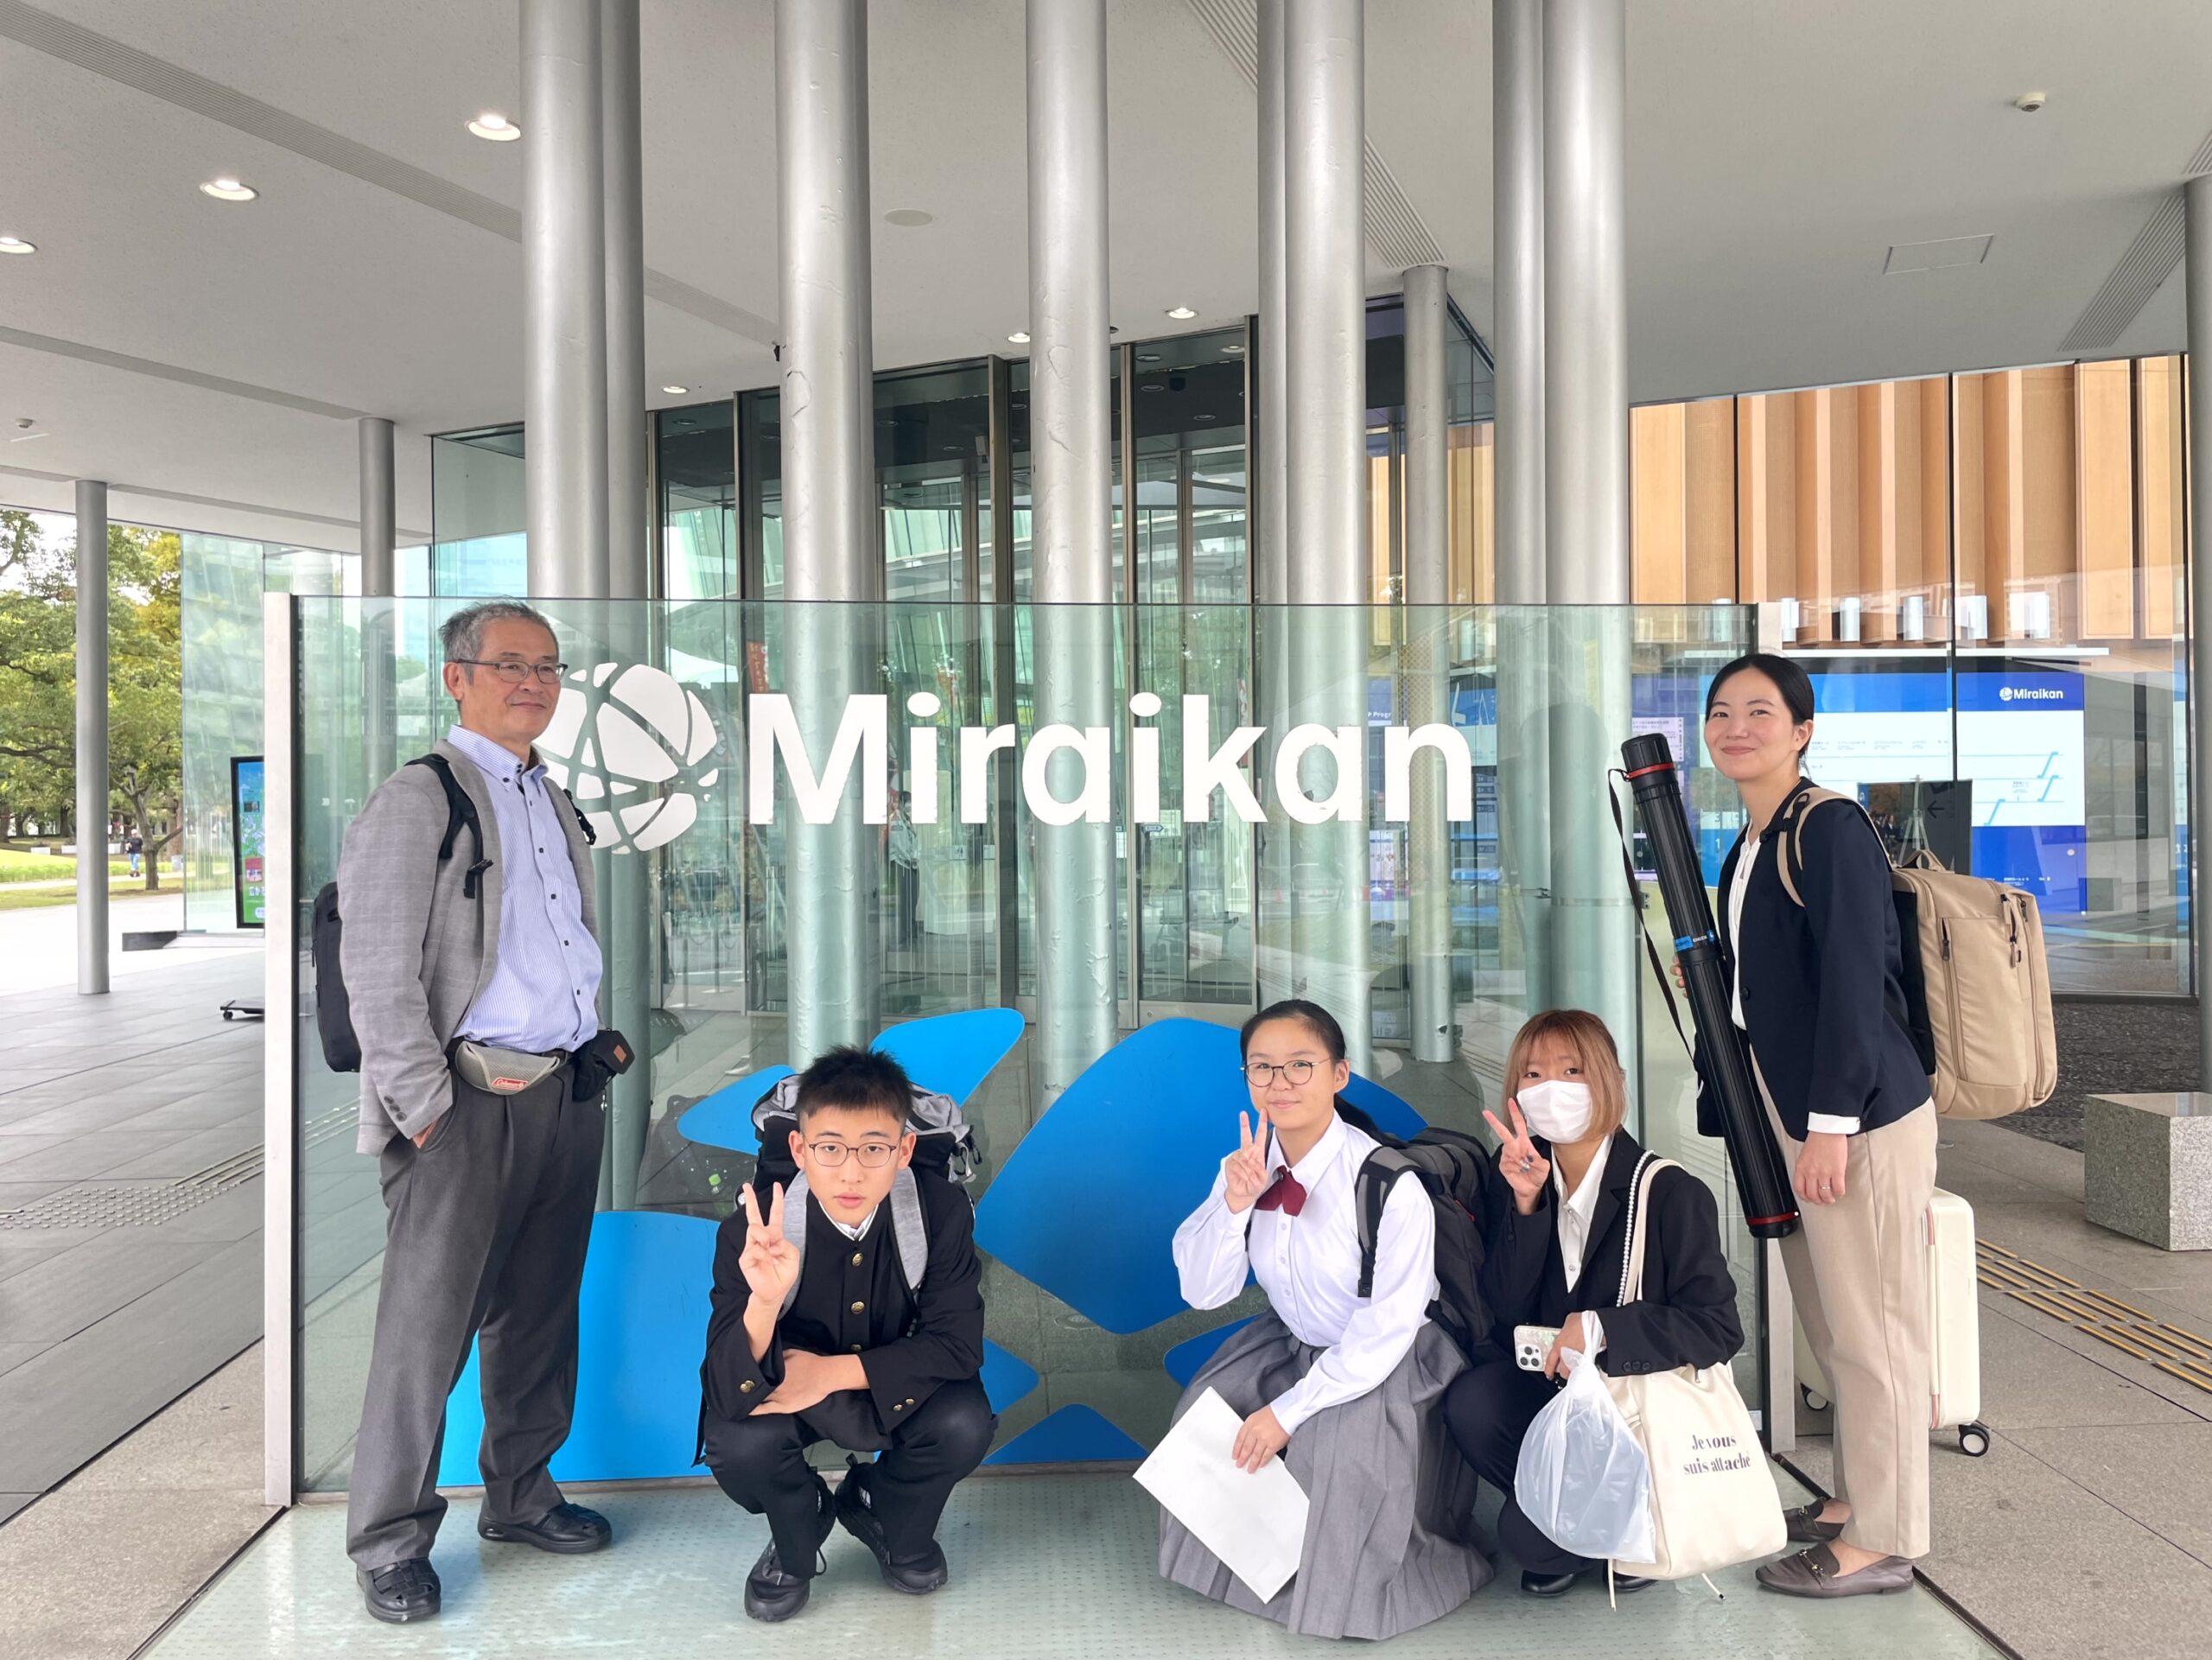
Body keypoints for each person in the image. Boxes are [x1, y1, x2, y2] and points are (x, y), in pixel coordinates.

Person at [340, 600, 622, 1625]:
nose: (532, 683)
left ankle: (522, 1495)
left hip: (561, 1090)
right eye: (509, 664)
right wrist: (426, 1109)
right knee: (427, 1333)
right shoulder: (421, 797)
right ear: (458, 677)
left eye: (547, 666)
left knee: (539, 1313)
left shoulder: (550, 794)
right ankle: (389, 1539)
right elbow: (375, 971)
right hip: (462, 1101)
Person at [1703, 651, 1937, 1600]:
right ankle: (1853, 1498)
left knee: (1875, 1328)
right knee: (1835, 1321)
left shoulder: (1828, 826)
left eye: (1760, 711)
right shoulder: (1752, 840)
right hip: (1797, 1106)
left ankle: (1883, 1538)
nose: (1737, 727)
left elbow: (1853, 980)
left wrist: (1831, 1124)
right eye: (1722, 711)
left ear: (1802, 731)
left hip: (1856, 1112)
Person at [1159, 998, 1487, 1639]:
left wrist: (1287, 1412)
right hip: (1294, 1342)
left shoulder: (1388, 1184)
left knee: (1338, 1449)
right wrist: (1234, 1204)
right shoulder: (1248, 1166)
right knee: (1204, 1411)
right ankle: (1259, 1574)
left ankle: (1343, 1591)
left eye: (1300, 1065)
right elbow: (1204, 1291)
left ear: (1339, 1074)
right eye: (1262, 1067)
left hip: (1390, 1356)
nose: (1279, 1082)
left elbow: (1387, 1328)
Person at [1441, 1008, 1743, 1596]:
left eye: (1572, 1070)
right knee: (1472, 1402)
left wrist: (1602, 1328)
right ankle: (1579, 1524)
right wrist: (1526, 1206)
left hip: (1637, 1416)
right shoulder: (1517, 1178)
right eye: (1532, 1074)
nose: (1550, 1087)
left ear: (1610, 1080)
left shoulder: (1669, 1192)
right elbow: (1504, 1310)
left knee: (1527, 1542)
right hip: (1562, 1406)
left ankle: (1630, 1527)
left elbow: (1718, 1327)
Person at [699, 1046, 993, 1624]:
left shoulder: (939, 1211)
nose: (851, 1172)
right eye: (830, 1148)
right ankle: (799, 1530)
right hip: (788, 1390)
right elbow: (726, 1387)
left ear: (904, 1150)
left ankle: (882, 1507)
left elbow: (959, 1346)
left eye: (874, 1148)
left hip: (891, 1383)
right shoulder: (755, 1226)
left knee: (964, 1422)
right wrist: (764, 1300)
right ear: (799, 1149)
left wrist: (830, 1373)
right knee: (739, 1442)